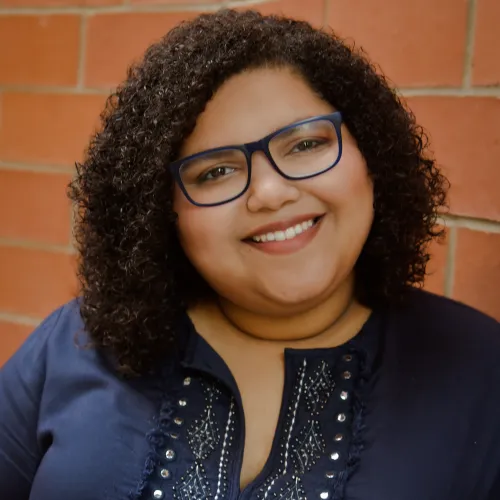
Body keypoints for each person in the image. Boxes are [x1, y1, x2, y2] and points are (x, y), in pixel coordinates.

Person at [1, 8, 499, 500]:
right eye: (214, 172)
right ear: (162, 213)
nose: (269, 193)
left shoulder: (479, 367)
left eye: (305, 144)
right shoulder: (78, 343)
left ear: (371, 157)